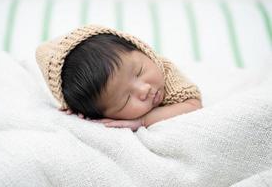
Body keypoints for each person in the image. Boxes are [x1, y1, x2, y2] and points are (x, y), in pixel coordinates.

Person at [36, 25, 202, 131]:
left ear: (141, 49)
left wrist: (143, 120)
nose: (144, 90)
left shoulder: (166, 72)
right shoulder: (100, 108)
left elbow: (193, 105)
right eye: (126, 99)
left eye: (139, 71)